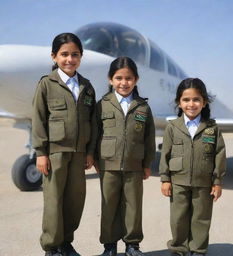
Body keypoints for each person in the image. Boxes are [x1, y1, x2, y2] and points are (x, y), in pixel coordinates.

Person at [32, 33, 96, 256]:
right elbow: (38, 119)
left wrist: (90, 153)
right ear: (54, 56)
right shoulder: (46, 85)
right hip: (55, 153)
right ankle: (51, 247)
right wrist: (41, 153)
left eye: (75, 54)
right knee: (53, 202)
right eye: (64, 54)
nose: (70, 59)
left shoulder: (87, 87)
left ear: (81, 57)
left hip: (79, 155)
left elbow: (92, 123)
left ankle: (66, 243)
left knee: (74, 201)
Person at [95, 57, 156, 256]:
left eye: (128, 78)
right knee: (109, 206)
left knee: (133, 206)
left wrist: (147, 164)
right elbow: (95, 134)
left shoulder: (143, 107)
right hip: (108, 164)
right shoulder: (102, 104)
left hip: (134, 166)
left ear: (136, 79)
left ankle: (132, 245)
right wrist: (95, 159)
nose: (124, 82)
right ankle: (109, 245)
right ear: (110, 79)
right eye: (119, 78)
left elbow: (149, 139)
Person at [159, 78, 226, 256]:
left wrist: (217, 181)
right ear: (179, 103)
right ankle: (179, 248)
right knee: (178, 218)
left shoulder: (212, 128)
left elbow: (219, 154)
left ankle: (198, 249)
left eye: (196, 99)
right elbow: (165, 154)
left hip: (203, 182)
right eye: (186, 100)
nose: (191, 104)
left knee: (201, 218)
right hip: (178, 181)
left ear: (204, 102)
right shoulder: (172, 127)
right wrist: (165, 179)